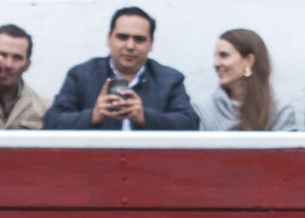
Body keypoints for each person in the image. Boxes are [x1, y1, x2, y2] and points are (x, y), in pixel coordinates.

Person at [43, 5, 197, 130]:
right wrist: (93, 116)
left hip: (150, 165)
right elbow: (51, 122)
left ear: (151, 44)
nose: (130, 46)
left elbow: (190, 124)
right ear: (109, 39)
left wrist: (145, 118)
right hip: (95, 165)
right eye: (122, 37)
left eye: (139, 39)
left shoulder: (170, 79)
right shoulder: (81, 75)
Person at [194, 29, 296, 131]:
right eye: (215, 56)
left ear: (248, 61)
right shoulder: (204, 107)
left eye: (224, 55)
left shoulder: (279, 110)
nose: (216, 63)